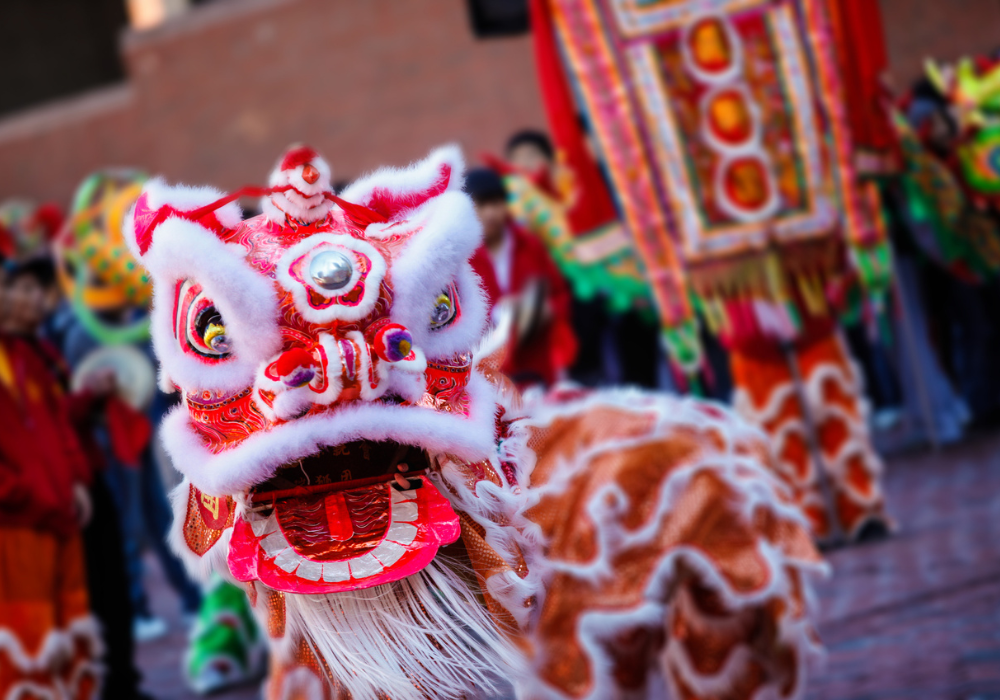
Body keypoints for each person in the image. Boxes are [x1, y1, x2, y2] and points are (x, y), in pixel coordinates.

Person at [0, 257, 102, 699]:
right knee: (28, 640)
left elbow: (58, 424)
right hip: (17, 523)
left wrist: (75, 481)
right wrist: (25, 495)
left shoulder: (25, 354)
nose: (22, 297)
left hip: (59, 513)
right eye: (12, 287)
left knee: (70, 629)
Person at [466, 167, 577, 387]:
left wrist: (543, 310)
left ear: (506, 205)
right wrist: (498, 312)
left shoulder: (531, 245)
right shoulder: (462, 259)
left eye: (496, 203)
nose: (490, 213)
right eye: (480, 204)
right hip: (486, 375)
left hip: (538, 367)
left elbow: (560, 294)